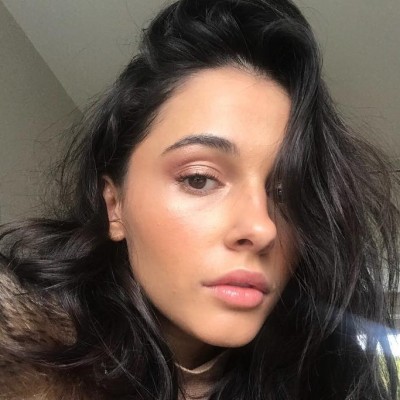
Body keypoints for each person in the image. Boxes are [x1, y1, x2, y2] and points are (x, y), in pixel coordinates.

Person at [0, 0, 399, 399]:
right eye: (199, 179)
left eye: (288, 193)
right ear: (114, 205)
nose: (262, 228)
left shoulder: (324, 376)